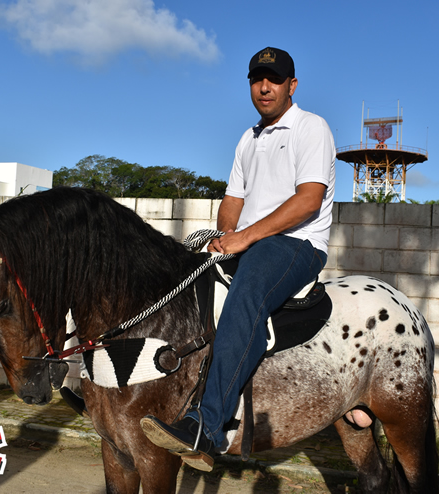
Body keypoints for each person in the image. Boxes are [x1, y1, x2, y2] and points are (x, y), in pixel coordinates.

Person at [141, 47, 336, 471]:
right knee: (178, 281)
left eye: (274, 79)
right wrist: (224, 235)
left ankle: (208, 427)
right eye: (257, 79)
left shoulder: (311, 127)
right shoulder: (248, 138)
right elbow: (233, 199)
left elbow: (308, 200)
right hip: (250, 241)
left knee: (246, 293)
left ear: (291, 85)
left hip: (297, 244)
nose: (265, 87)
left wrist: (244, 238)